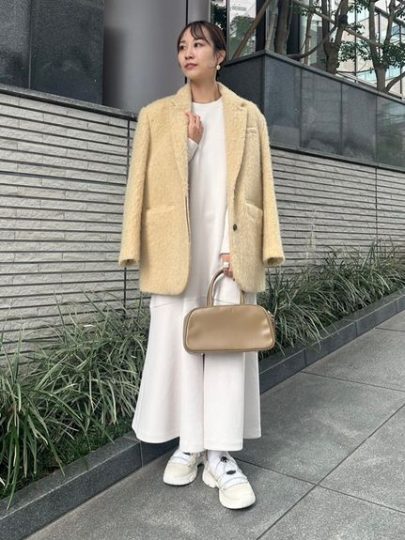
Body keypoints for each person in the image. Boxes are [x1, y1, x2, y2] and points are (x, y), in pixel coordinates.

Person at [118, 20, 285, 510]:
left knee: (227, 348)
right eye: (181, 46)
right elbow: (142, 185)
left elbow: (262, 189)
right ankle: (189, 444)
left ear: (220, 56)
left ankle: (221, 455)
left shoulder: (248, 116)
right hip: (175, 251)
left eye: (198, 44)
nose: (188, 53)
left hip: (228, 251)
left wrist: (248, 247)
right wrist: (189, 145)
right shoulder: (156, 116)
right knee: (180, 346)